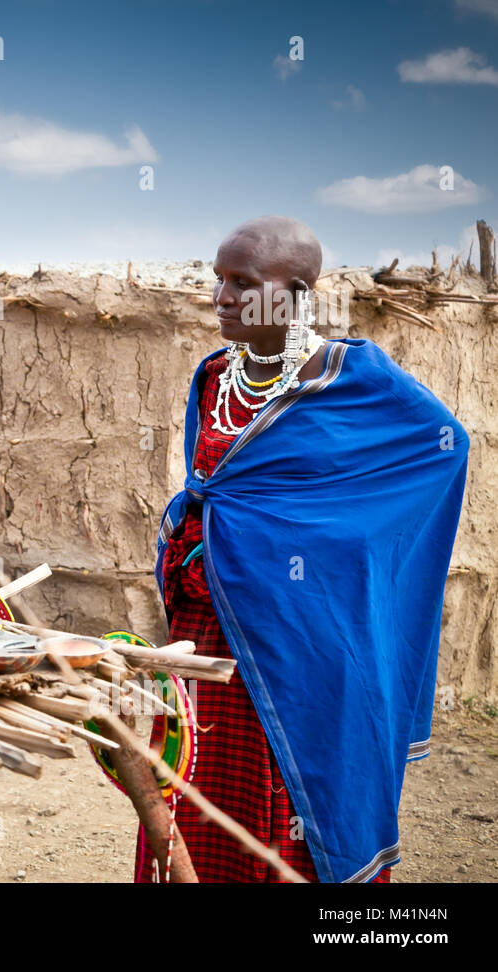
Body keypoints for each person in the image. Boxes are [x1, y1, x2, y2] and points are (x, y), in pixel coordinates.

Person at [145, 216, 468, 883]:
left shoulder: (350, 383)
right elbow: (223, 492)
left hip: (293, 648)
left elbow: (444, 448)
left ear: (293, 293)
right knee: (192, 798)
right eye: (217, 278)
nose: (221, 295)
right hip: (201, 634)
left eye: (243, 282)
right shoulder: (212, 379)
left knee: (280, 803)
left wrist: (325, 552)